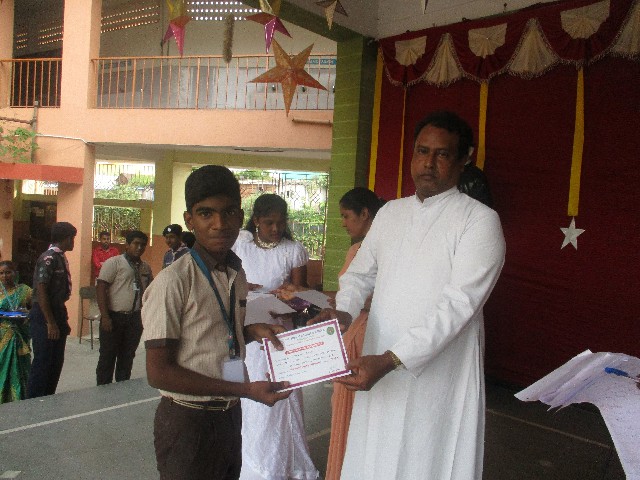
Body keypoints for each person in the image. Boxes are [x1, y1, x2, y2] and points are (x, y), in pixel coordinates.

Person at [311, 111, 506, 479]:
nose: (428, 163)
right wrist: (344, 311)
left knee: (427, 454)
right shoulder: (391, 213)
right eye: (422, 151)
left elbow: (459, 305)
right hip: (378, 357)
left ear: (465, 159)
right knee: (375, 451)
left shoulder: (479, 220)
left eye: (442, 154)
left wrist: (392, 359)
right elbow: (359, 274)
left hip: (437, 369)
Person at [141, 165, 291, 480]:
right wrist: (244, 389)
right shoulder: (173, 281)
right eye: (206, 213)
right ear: (189, 220)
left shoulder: (235, 273)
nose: (220, 224)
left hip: (229, 415)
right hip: (187, 421)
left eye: (229, 212)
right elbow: (159, 372)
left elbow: (212, 335)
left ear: (241, 216)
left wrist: (249, 332)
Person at [231, 193, 318, 480]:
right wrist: (243, 288)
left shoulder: (293, 250)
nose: (275, 229)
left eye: (281, 223)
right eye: (269, 223)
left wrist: (289, 299)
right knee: (249, 394)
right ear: (256, 220)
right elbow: (227, 279)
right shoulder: (241, 244)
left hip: (280, 333)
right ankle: (251, 462)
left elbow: (302, 297)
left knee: (281, 396)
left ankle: (282, 465)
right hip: (248, 331)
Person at [325, 187, 383, 480]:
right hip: (363, 331)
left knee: (353, 411)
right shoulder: (366, 249)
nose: (343, 223)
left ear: (365, 213)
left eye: (347, 216)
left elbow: (365, 297)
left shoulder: (365, 250)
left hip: (362, 335)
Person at [27, 221, 77, 399]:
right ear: (66, 238)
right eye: (72, 238)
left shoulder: (60, 257)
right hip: (45, 314)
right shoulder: (48, 258)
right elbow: (41, 290)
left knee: (56, 361)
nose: (73, 242)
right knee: (43, 360)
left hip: (58, 311)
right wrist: (50, 322)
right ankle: (34, 400)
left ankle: (48, 398)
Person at [96, 230, 153, 385]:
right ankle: (103, 391)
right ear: (127, 245)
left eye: (143, 245)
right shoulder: (114, 263)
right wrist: (105, 316)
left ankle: (122, 389)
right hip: (114, 317)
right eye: (136, 243)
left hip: (134, 318)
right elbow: (101, 288)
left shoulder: (145, 267)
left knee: (127, 357)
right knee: (107, 356)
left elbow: (149, 291)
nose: (139, 247)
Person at [0, 261, 33, 403]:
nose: (4, 276)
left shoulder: (24, 290)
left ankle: (19, 398)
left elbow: (36, 307)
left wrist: (28, 313)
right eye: (1, 273)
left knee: (18, 369)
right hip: (2, 336)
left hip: (19, 336)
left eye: (8, 272)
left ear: (15, 274)